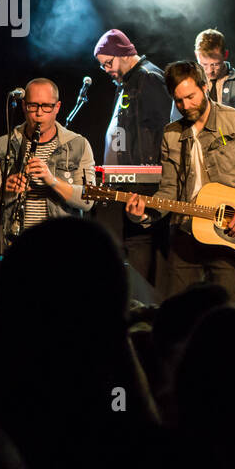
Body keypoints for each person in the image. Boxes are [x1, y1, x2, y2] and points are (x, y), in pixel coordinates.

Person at [125, 61, 235, 301]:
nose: (185, 106)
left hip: (228, 236)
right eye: (178, 100)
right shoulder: (171, 134)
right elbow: (169, 192)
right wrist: (142, 215)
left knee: (223, 318)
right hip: (184, 234)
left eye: (191, 97)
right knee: (178, 315)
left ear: (204, 87)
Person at [0, 78, 96, 258]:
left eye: (47, 106)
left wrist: (52, 181)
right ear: (24, 106)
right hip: (17, 246)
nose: (39, 113)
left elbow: (89, 200)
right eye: (33, 106)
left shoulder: (78, 144)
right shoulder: (3, 145)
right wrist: (4, 192)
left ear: (57, 107)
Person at [93, 27, 174, 293]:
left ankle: (148, 319)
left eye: (108, 62)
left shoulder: (149, 79)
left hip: (148, 185)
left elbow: (166, 129)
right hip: (131, 184)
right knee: (135, 249)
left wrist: (151, 173)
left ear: (123, 54)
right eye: (102, 65)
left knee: (147, 253)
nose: (105, 70)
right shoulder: (129, 81)